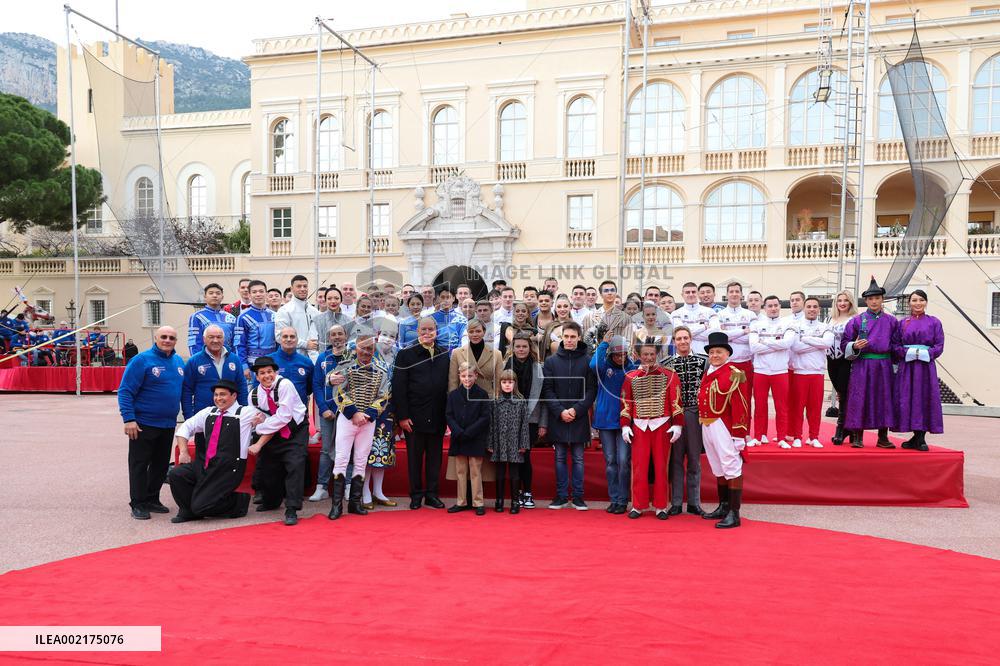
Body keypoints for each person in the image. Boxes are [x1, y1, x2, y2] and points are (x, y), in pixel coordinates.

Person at [118, 326, 185, 520]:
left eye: (171, 337)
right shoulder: (141, 360)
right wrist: (129, 419)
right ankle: (138, 503)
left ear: (176, 341)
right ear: (156, 338)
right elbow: (125, 391)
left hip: (167, 424)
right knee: (139, 464)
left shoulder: (178, 361)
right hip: (143, 423)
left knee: (160, 465)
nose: (167, 340)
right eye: (163, 336)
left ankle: (152, 498)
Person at [169, 380, 255, 523]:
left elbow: (269, 421)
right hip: (206, 464)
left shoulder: (246, 413)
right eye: (216, 395)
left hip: (228, 469)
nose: (218, 398)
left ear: (234, 396)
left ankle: (239, 501)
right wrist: (183, 452)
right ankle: (189, 511)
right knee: (177, 474)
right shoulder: (208, 412)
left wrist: (259, 430)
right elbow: (185, 428)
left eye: (223, 394)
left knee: (201, 506)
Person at [328, 334, 391, 519]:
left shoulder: (381, 371)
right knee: (341, 460)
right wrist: (354, 413)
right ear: (356, 348)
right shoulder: (344, 368)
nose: (366, 352)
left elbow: (384, 396)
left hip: (368, 422)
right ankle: (336, 506)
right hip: (347, 419)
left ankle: (355, 503)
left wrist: (369, 414)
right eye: (362, 348)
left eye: (370, 349)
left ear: (374, 350)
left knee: (361, 460)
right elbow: (338, 392)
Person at [621, 342, 684, 520]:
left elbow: (676, 400)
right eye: (645, 354)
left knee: (661, 467)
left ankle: (661, 506)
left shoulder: (669, 375)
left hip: (662, 425)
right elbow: (626, 402)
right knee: (639, 467)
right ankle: (638, 505)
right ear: (638, 355)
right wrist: (625, 425)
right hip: (639, 426)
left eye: (652, 354)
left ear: (657, 354)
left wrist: (677, 423)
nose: (649, 357)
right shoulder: (630, 377)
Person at [393, 317, 451, 509]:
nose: (427, 333)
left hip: (437, 415)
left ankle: (432, 494)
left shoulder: (444, 354)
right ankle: (416, 495)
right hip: (413, 417)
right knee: (415, 459)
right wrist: (402, 416)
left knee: (435, 459)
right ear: (417, 331)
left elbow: (447, 385)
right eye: (423, 329)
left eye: (431, 329)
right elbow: (399, 387)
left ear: (436, 331)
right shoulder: (405, 354)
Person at [541, 321, 596, 510]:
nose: (570, 340)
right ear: (561, 337)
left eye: (573, 337)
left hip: (579, 417)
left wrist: (576, 410)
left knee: (579, 459)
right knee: (560, 458)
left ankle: (578, 497)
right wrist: (561, 411)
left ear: (579, 337)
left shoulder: (588, 361)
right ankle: (561, 496)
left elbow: (591, 390)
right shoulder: (551, 362)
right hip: (559, 417)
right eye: (566, 336)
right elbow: (547, 390)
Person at [248, 356, 309, 526]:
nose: (267, 376)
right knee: (269, 468)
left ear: (275, 372)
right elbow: (255, 418)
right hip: (273, 433)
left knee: (295, 465)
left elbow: (284, 417)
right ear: (257, 376)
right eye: (262, 373)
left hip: (295, 430)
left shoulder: (285, 385)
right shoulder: (253, 395)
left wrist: (260, 429)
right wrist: (258, 424)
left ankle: (292, 508)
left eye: (269, 371)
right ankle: (272, 501)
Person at [699, 331, 750, 529]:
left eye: (719, 352)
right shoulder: (708, 371)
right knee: (718, 466)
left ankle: (734, 513)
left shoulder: (734, 373)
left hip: (724, 426)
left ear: (727, 353)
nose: (714, 355)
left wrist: (739, 434)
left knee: (731, 466)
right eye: (712, 352)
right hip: (707, 423)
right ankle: (724, 506)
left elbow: (741, 406)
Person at [842, 278, 900, 449]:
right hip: (863, 365)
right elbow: (845, 342)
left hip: (884, 365)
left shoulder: (892, 321)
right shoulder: (857, 320)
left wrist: (896, 362)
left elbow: (897, 343)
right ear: (866, 301)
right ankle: (857, 436)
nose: (874, 301)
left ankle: (883, 437)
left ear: (882, 299)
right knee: (860, 398)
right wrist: (854, 345)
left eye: (877, 298)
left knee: (884, 398)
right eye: (870, 299)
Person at [590, 334, 637, 515]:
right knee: (610, 461)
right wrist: (603, 344)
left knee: (624, 461)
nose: (620, 358)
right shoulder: (604, 368)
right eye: (617, 354)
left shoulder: (631, 368)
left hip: (625, 421)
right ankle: (614, 498)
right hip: (605, 420)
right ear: (610, 354)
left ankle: (623, 500)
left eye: (623, 354)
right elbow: (593, 364)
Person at [664, 326, 708, 516]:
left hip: (694, 414)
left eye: (685, 338)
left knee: (694, 459)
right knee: (675, 459)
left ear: (691, 339)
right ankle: (675, 502)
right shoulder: (666, 364)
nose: (682, 341)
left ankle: (694, 502)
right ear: (674, 342)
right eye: (679, 339)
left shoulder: (704, 361)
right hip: (673, 416)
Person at [893, 290, 944, 452]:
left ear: (926, 302)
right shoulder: (902, 323)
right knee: (908, 397)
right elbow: (895, 345)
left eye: (921, 300)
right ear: (909, 303)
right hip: (907, 367)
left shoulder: (934, 322)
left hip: (925, 367)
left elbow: (939, 345)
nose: (918, 303)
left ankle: (920, 437)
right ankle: (916, 437)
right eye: (914, 300)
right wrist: (908, 353)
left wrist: (925, 354)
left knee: (923, 397)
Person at [308, 324, 352, 502]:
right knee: (326, 450)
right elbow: (316, 385)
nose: (337, 337)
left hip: (348, 412)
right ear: (329, 338)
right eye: (333, 334)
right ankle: (322, 487)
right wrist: (324, 408)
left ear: (346, 336)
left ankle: (349, 485)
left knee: (348, 449)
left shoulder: (353, 356)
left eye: (340, 334)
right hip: (328, 412)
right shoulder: (322, 358)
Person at [504, 331, 546, 509]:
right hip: (509, 418)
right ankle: (516, 492)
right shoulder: (505, 367)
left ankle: (527, 492)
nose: (521, 349)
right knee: (514, 457)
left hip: (531, 419)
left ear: (530, 348)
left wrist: (543, 423)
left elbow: (543, 399)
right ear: (512, 348)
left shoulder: (539, 368)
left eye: (524, 346)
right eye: (518, 346)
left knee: (525, 456)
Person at [748, 295, 797, 448]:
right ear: (764, 308)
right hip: (760, 371)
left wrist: (764, 341)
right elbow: (753, 347)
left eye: (776, 305)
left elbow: (787, 343)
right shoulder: (756, 324)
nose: (773, 308)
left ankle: (781, 438)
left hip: (780, 371)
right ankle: (758, 436)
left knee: (781, 407)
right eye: (770, 306)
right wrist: (776, 344)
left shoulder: (788, 323)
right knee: (760, 406)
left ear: (780, 306)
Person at [446, 362, 491, 515]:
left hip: (475, 437)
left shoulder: (482, 394)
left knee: (475, 471)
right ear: (459, 376)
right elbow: (449, 415)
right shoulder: (453, 395)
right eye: (464, 376)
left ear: (476, 376)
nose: (467, 379)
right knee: (461, 471)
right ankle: (461, 501)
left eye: (470, 376)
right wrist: (458, 431)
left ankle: (478, 502)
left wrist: (470, 432)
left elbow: (485, 417)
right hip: (459, 437)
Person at [788, 297, 834, 448]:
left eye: (815, 307)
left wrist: (806, 339)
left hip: (817, 373)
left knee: (815, 408)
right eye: (809, 306)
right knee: (798, 408)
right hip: (800, 372)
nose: (812, 309)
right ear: (804, 308)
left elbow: (827, 343)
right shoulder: (795, 326)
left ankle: (814, 437)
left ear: (819, 309)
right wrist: (817, 343)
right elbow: (796, 347)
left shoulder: (825, 326)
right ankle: (797, 436)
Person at [363, 324, 400, 508]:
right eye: (385, 334)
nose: (388, 338)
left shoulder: (397, 355)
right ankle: (364, 492)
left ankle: (378, 491)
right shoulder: (368, 352)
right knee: (367, 451)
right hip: (369, 407)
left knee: (382, 450)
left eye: (392, 336)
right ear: (378, 335)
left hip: (388, 410)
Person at [487, 368, 530, 514]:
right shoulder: (494, 402)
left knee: (514, 473)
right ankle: (499, 500)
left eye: (510, 382)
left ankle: (515, 501)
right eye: (504, 382)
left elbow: (524, 425)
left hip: (515, 442)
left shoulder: (521, 402)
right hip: (499, 442)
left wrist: (523, 444)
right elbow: (491, 425)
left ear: (515, 384)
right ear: (499, 383)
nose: (507, 385)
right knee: (499, 472)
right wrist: (490, 443)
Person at [181, 325, 248, 419]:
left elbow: (241, 385)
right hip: (204, 417)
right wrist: (189, 416)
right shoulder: (194, 361)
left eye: (219, 337)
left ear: (223, 339)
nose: (215, 340)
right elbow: (186, 391)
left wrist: (244, 411)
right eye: (211, 337)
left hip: (231, 415)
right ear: (204, 339)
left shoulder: (234, 359)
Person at [827, 290, 858, 445]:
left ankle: (841, 428)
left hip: (845, 359)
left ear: (850, 302)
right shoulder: (829, 318)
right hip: (830, 359)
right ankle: (848, 428)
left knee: (844, 394)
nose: (842, 303)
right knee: (840, 392)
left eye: (845, 300)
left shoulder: (854, 319)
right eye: (839, 300)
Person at [449, 318, 503, 396]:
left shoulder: (497, 354)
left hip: (487, 398)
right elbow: (453, 382)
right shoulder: (457, 353)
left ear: (484, 332)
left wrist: (497, 400)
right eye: (471, 332)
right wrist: (453, 399)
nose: (475, 335)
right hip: (463, 398)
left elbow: (498, 383)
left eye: (478, 331)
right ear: (467, 333)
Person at [233, 280, 277, 375]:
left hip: (273, 362)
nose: (258, 294)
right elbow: (239, 344)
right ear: (249, 295)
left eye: (261, 291)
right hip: (253, 364)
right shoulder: (243, 317)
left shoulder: (275, 315)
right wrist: (243, 366)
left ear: (266, 294)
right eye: (254, 292)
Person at [717, 282, 756, 387]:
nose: (734, 294)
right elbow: (721, 337)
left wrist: (730, 336)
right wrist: (743, 332)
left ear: (742, 295)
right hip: (727, 362)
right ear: (727, 295)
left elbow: (751, 338)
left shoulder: (750, 314)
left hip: (746, 362)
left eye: (737, 291)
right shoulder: (719, 315)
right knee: (727, 394)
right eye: (731, 292)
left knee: (746, 394)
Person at [274, 275, 319, 362]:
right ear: (292, 289)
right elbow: (279, 336)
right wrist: (305, 344)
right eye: (299, 286)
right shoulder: (284, 310)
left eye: (305, 286)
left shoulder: (314, 311)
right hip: (292, 359)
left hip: (314, 359)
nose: (302, 289)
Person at [188, 283, 237, 355]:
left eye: (218, 293)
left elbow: (235, 343)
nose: (214, 295)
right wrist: (199, 360)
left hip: (228, 358)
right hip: (206, 359)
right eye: (211, 293)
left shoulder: (230, 317)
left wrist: (233, 359)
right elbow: (194, 344)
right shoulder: (197, 317)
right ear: (205, 297)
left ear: (222, 297)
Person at [671, 282, 719, 355]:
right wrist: (703, 327)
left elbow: (714, 333)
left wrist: (688, 333)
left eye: (693, 292)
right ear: (682, 295)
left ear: (698, 294)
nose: (691, 294)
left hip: (706, 355)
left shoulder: (710, 312)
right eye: (687, 292)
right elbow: (680, 334)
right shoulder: (676, 313)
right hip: (685, 355)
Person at [273, 327, 314, 406]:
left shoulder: (306, 362)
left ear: (297, 340)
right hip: (275, 411)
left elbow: (310, 388)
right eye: (285, 336)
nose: (289, 339)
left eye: (292, 337)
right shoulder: (269, 360)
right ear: (280, 339)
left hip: (300, 410)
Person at [312, 287, 351, 353]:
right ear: (326, 300)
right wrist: (319, 358)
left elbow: (351, 344)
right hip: (322, 358)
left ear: (341, 300)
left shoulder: (349, 321)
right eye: (329, 299)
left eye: (336, 298)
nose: (333, 301)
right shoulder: (316, 320)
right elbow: (312, 347)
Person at [431, 285, 468, 351]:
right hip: (437, 353)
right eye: (442, 297)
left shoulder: (462, 319)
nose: (445, 300)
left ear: (453, 298)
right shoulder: (431, 318)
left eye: (448, 297)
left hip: (456, 353)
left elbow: (463, 338)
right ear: (439, 299)